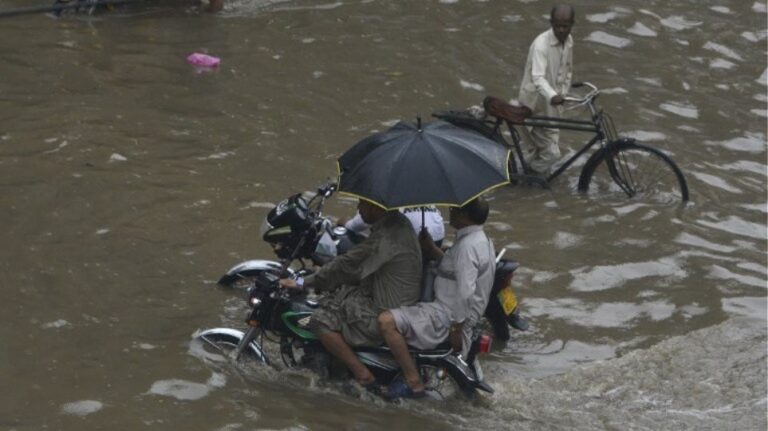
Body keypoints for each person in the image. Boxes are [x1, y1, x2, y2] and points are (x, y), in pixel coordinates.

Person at [279, 199, 422, 389]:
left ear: (376, 207)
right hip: (397, 298)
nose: (358, 209)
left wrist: (301, 282)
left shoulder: (384, 238)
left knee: (319, 320)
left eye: (362, 204)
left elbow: (345, 265)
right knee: (336, 294)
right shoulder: (399, 223)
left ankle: (362, 374)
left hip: (384, 309)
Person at [377, 197, 495, 399]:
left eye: (455, 208)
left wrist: (456, 328)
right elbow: (455, 269)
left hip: (446, 315)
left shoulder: (467, 247)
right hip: (453, 312)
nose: (450, 210)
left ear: (465, 216)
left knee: (386, 321)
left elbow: (466, 292)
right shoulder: (478, 241)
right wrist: (431, 247)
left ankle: (412, 380)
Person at [517, 4, 575, 175]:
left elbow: (567, 70)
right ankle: (527, 178)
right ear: (551, 23)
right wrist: (553, 95)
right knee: (552, 154)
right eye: (557, 25)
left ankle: (529, 173)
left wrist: (564, 91)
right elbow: (537, 78)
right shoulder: (541, 45)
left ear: (572, 24)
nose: (561, 30)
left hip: (554, 105)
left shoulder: (570, 41)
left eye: (566, 26)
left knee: (537, 150)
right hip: (536, 105)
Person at [340, 205, 445, 247]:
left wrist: (346, 224)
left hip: (418, 241)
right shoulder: (418, 189)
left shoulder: (386, 193)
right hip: (438, 238)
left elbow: (361, 221)